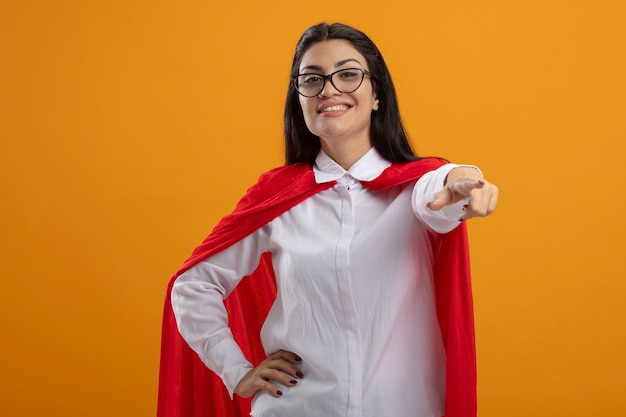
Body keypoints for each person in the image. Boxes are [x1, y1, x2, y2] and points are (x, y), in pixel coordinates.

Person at [158, 22, 498, 417]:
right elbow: (192, 286)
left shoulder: (416, 188)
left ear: (377, 95)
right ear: (299, 99)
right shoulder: (277, 197)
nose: (329, 89)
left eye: (348, 74)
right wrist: (237, 371)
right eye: (312, 79)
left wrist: (460, 179)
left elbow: (438, 197)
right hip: (297, 408)